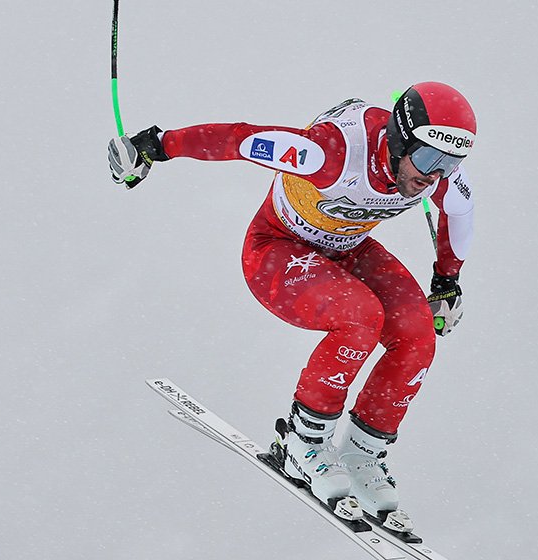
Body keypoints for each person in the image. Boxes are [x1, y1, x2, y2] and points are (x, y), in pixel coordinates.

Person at [108, 82, 476, 536]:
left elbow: (460, 211)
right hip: (277, 251)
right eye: (427, 158)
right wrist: (154, 146)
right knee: (360, 317)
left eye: (449, 163)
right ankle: (304, 442)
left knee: (416, 335)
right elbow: (240, 139)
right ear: (400, 140)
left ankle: (361, 454)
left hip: (347, 249)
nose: (433, 175)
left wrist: (446, 280)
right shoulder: (330, 154)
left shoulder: (437, 173)